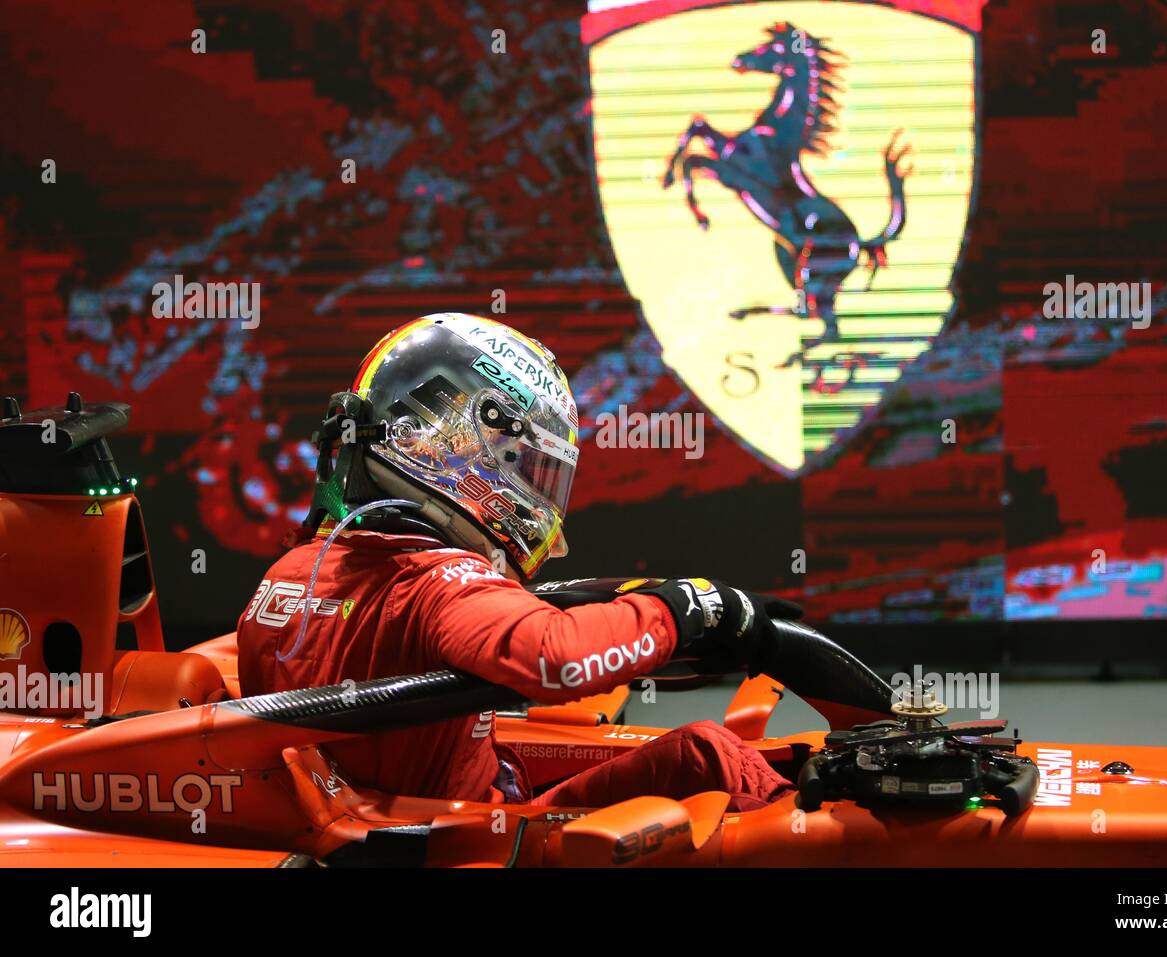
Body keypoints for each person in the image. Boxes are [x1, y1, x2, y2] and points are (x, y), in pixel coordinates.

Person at [237, 313, 799, 810]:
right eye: (529, 467)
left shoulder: (294, 570)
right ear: (459, 448)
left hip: (387, 822)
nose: (537, 491)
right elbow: (556, 658)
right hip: (476, 843)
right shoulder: (436, 583)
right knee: (708, 756)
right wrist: (692, 607)